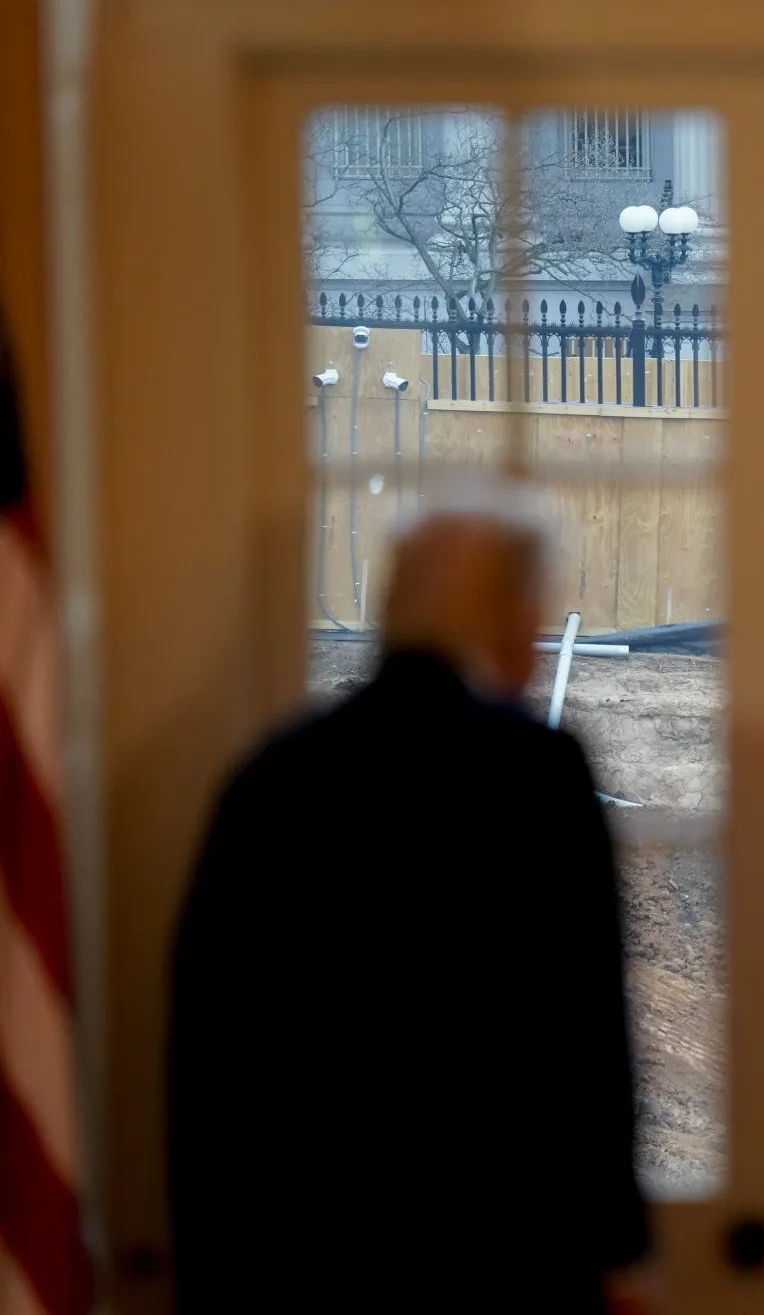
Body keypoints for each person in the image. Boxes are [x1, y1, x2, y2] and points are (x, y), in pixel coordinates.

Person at [168, 480, 652, 1312]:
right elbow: (583, 1035)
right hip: (502, 1254)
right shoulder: (537, 777)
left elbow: (207, 1047)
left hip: (292, 1258)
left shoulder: (273, 776)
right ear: (515, 619)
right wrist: (623, 1251)